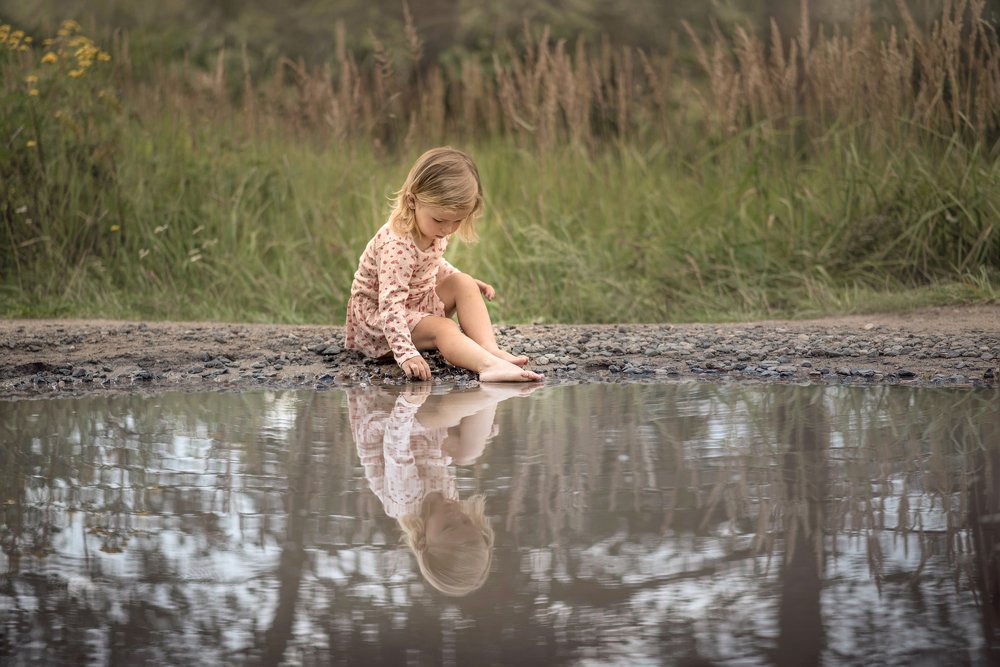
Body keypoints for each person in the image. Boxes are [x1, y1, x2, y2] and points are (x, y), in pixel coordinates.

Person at [345, 146, 543, 383]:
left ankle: (489, 348)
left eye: (457, 221)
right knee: (445, 328)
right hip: (381, 323)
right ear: (412, 201)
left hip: (414, 304)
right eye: (440, 220)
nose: (447, 229)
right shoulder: (396, 245)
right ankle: (487, 366)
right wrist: (406, 353)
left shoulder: (433, 229)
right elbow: (390, 304)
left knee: (463, 282)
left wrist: (460, 279)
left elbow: (431, 263)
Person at [348, 383, 540, 596]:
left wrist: (410, 403)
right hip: (418, 431)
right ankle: (490, 384)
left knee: (459, 434)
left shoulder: (405, 501)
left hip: (382, 418)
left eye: (448, 527)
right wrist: (475, 434)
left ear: (423, 541)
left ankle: (493, 385)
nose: (455, 515)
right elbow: (436, 459)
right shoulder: (445, 506)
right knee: (468, 450)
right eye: (466, 522)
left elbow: (396, 444)